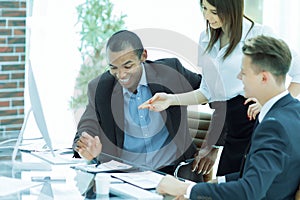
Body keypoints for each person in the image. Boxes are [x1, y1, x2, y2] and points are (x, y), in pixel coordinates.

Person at [139, 0, 300, 177]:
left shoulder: (260, 34)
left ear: (232, 8)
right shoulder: (206, 37)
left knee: (249, 186)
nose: (208, 17)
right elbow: (207, 92)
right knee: (226, 184)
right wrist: (170, 100)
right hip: (233, 128)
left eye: (214, 11)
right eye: (204, 9)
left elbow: (298, 71)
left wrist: (271, 105)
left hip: (256, 123)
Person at [156, 35, 300, 200]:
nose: (238, 77)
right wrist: (213, 184)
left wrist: (186, 188)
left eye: (244, 72)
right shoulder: (293, 112)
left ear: (264, 78)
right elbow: (263, 176)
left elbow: (249, 191)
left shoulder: (274, 126)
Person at [73, 30, 203, 175]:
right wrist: (86, 145)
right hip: (126, 177)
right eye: (113, 68)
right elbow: (87, 126)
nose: (121, 75)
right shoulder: (100, 88)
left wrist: (213, 147)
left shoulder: (171, 71)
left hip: (174, 173)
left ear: (143, 56)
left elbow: (213, 93)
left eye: (128, 66)